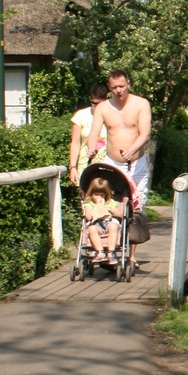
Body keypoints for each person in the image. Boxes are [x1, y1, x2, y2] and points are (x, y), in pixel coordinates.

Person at [89, 70, 153, 211]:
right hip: (112, 163)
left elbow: (145, 133)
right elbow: (94, 133)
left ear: (128, 84)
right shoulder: (102, 108)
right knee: (110, 206)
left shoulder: (142, 104)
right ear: (109, 87)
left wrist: (131, 150)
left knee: (137, 207)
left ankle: (134, 231)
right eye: (114, 87)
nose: (118, 90)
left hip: (137, 163)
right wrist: (91, 147)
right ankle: (114, 231)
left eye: (121, 86)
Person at [68, 84, 110, 184]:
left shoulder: (112, 116)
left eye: (100, 104)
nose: (97, 107)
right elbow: (75, 143)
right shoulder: (81, 115)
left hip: (107, 168)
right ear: (90, 99)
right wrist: (73, 167)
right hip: (86, 167)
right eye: (94, 103)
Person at [79, 175, 125, 264]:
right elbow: (88, 217)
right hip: (97, 225)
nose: (99, 197)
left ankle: (111, 252)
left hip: (109, 223)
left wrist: (109, 209)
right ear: (91, 194)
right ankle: (100, 252)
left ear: (106, 195)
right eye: (96, 194)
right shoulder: (89, 203)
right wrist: (96, 205)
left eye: (102, 195)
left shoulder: (110, 202)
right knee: (91, 228)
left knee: (113, 226)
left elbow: (120, 215)